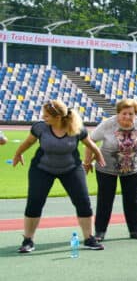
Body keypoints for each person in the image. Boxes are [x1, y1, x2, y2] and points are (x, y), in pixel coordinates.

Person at [10, 99, 105, 253]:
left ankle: (89, 238)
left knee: (83, 202)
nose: (43, 118)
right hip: (42, 169)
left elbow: (90, 144)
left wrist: (98, 156)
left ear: (58, 117)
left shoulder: (76, 128)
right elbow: (28, 142)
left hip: (71, 169)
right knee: (35, 202)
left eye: (46, 116)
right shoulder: (40, 128)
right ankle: (28, 240)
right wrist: (18, 154)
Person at [89, 98, 137, 240]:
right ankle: (100, 232)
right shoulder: (108, 124)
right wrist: (87, 161)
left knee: (132, 200)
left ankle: (135, 230)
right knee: (105, 200)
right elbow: (91, 140)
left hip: (132, 167)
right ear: (118, 113)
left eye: (131, 113)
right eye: (124, 113)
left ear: (135, 114)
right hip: (106, 167)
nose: (127, 116)